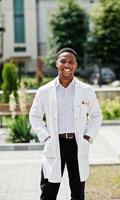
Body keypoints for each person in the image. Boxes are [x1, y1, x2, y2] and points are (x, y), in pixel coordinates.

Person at [29, 47, 102, 200]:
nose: (67, 65)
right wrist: (46, 137)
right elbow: (34, 116)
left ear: (75, 65)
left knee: (77, 192)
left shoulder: (86, 90)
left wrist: (88, 136)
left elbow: (96, 115)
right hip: (55, 144)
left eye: (71, 62)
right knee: (48, 191)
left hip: (77, 144)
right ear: (57, 63)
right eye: (63, 61)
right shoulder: (44, 91)